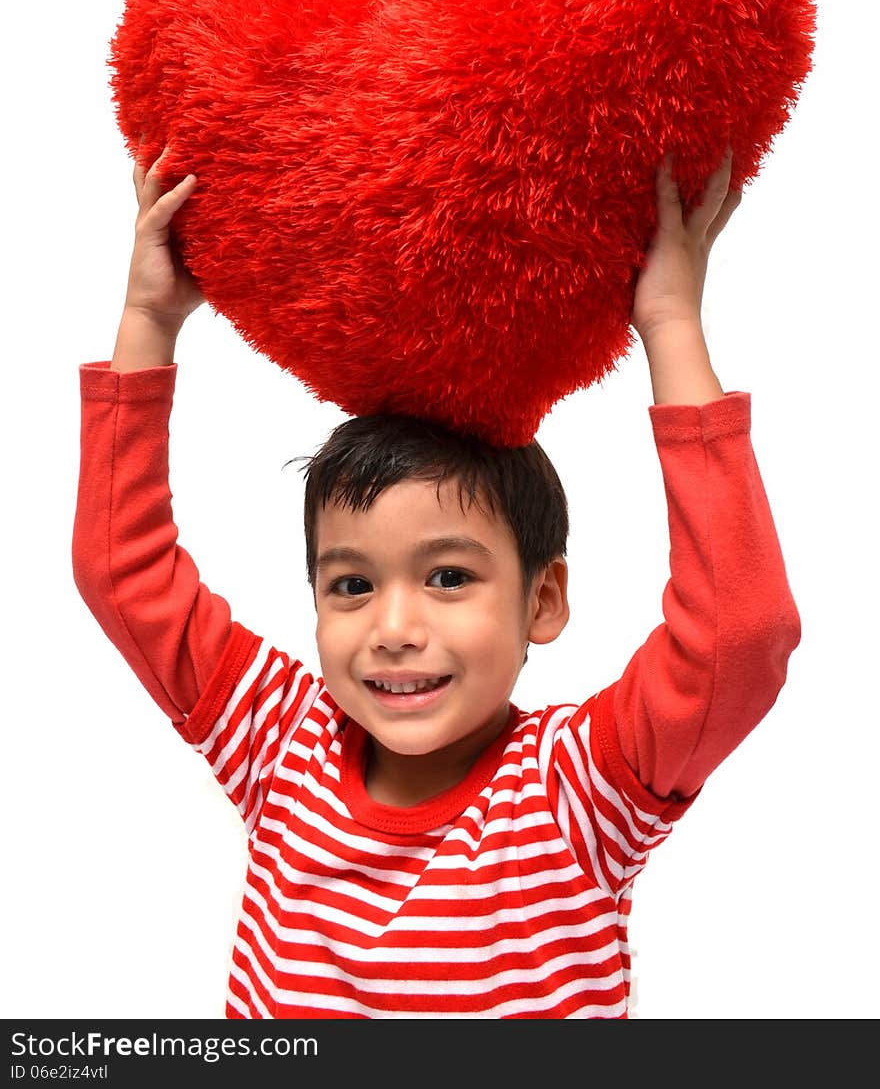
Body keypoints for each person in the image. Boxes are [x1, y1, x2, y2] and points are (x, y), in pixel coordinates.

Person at [71, 142, 801, 1019]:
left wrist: (673, 326)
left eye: (449, 576)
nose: (394, 625)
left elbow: (740, 631)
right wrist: (147, 320)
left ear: (543, 600)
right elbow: (122, 569)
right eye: (350, 586)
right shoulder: (281, 745)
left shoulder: (576, 789)